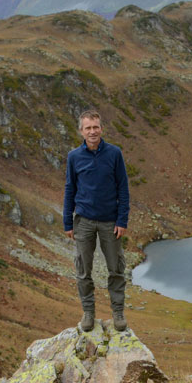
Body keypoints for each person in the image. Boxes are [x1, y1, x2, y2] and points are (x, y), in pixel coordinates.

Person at [63, 108, 130, 332]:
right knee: (83, 270)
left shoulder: (114, 154)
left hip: (110, 222)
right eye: (88, 128)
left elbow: (123, 188)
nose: (92, 131)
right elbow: (69, 189)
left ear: (101, 129)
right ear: (81, 131)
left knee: (116, 268)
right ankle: (88, 312)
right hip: (84, 221)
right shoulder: (74, 157)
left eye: (96, 127)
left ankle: (118, 312)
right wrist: (67, 222)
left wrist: (122, 220)